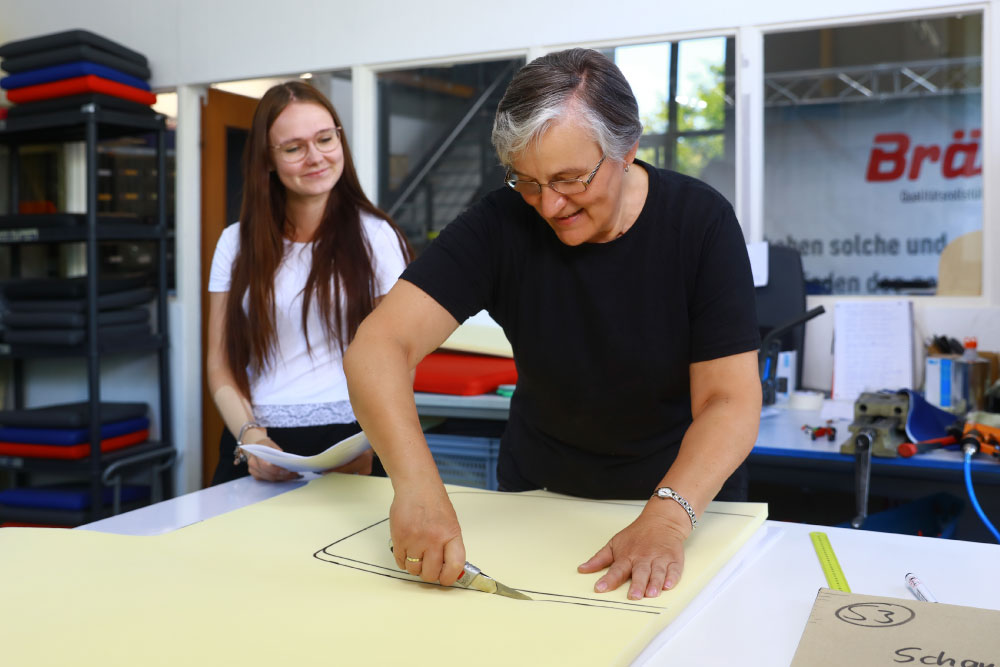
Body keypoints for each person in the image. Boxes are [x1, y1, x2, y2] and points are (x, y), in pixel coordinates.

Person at [343, 49, 760, 600]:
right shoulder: (501, 223)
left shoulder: (700, 224)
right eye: (529, 182)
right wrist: (416, 486)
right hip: (544, 493)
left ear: (628, 149)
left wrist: (666, 518)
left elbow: (728, 401)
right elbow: (377, 347)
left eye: (569, 179)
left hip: (685, 500)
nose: (550, 205)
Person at [208, 81, 411, 485]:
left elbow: (399, 356)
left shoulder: (377, 236)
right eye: (294, 148)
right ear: (268, 159)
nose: (315, 157)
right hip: (260, 440)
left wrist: (378, 441)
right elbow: (220, 365)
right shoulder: (235, 243)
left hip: (354, 440)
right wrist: (251, 439)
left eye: (325, 139)